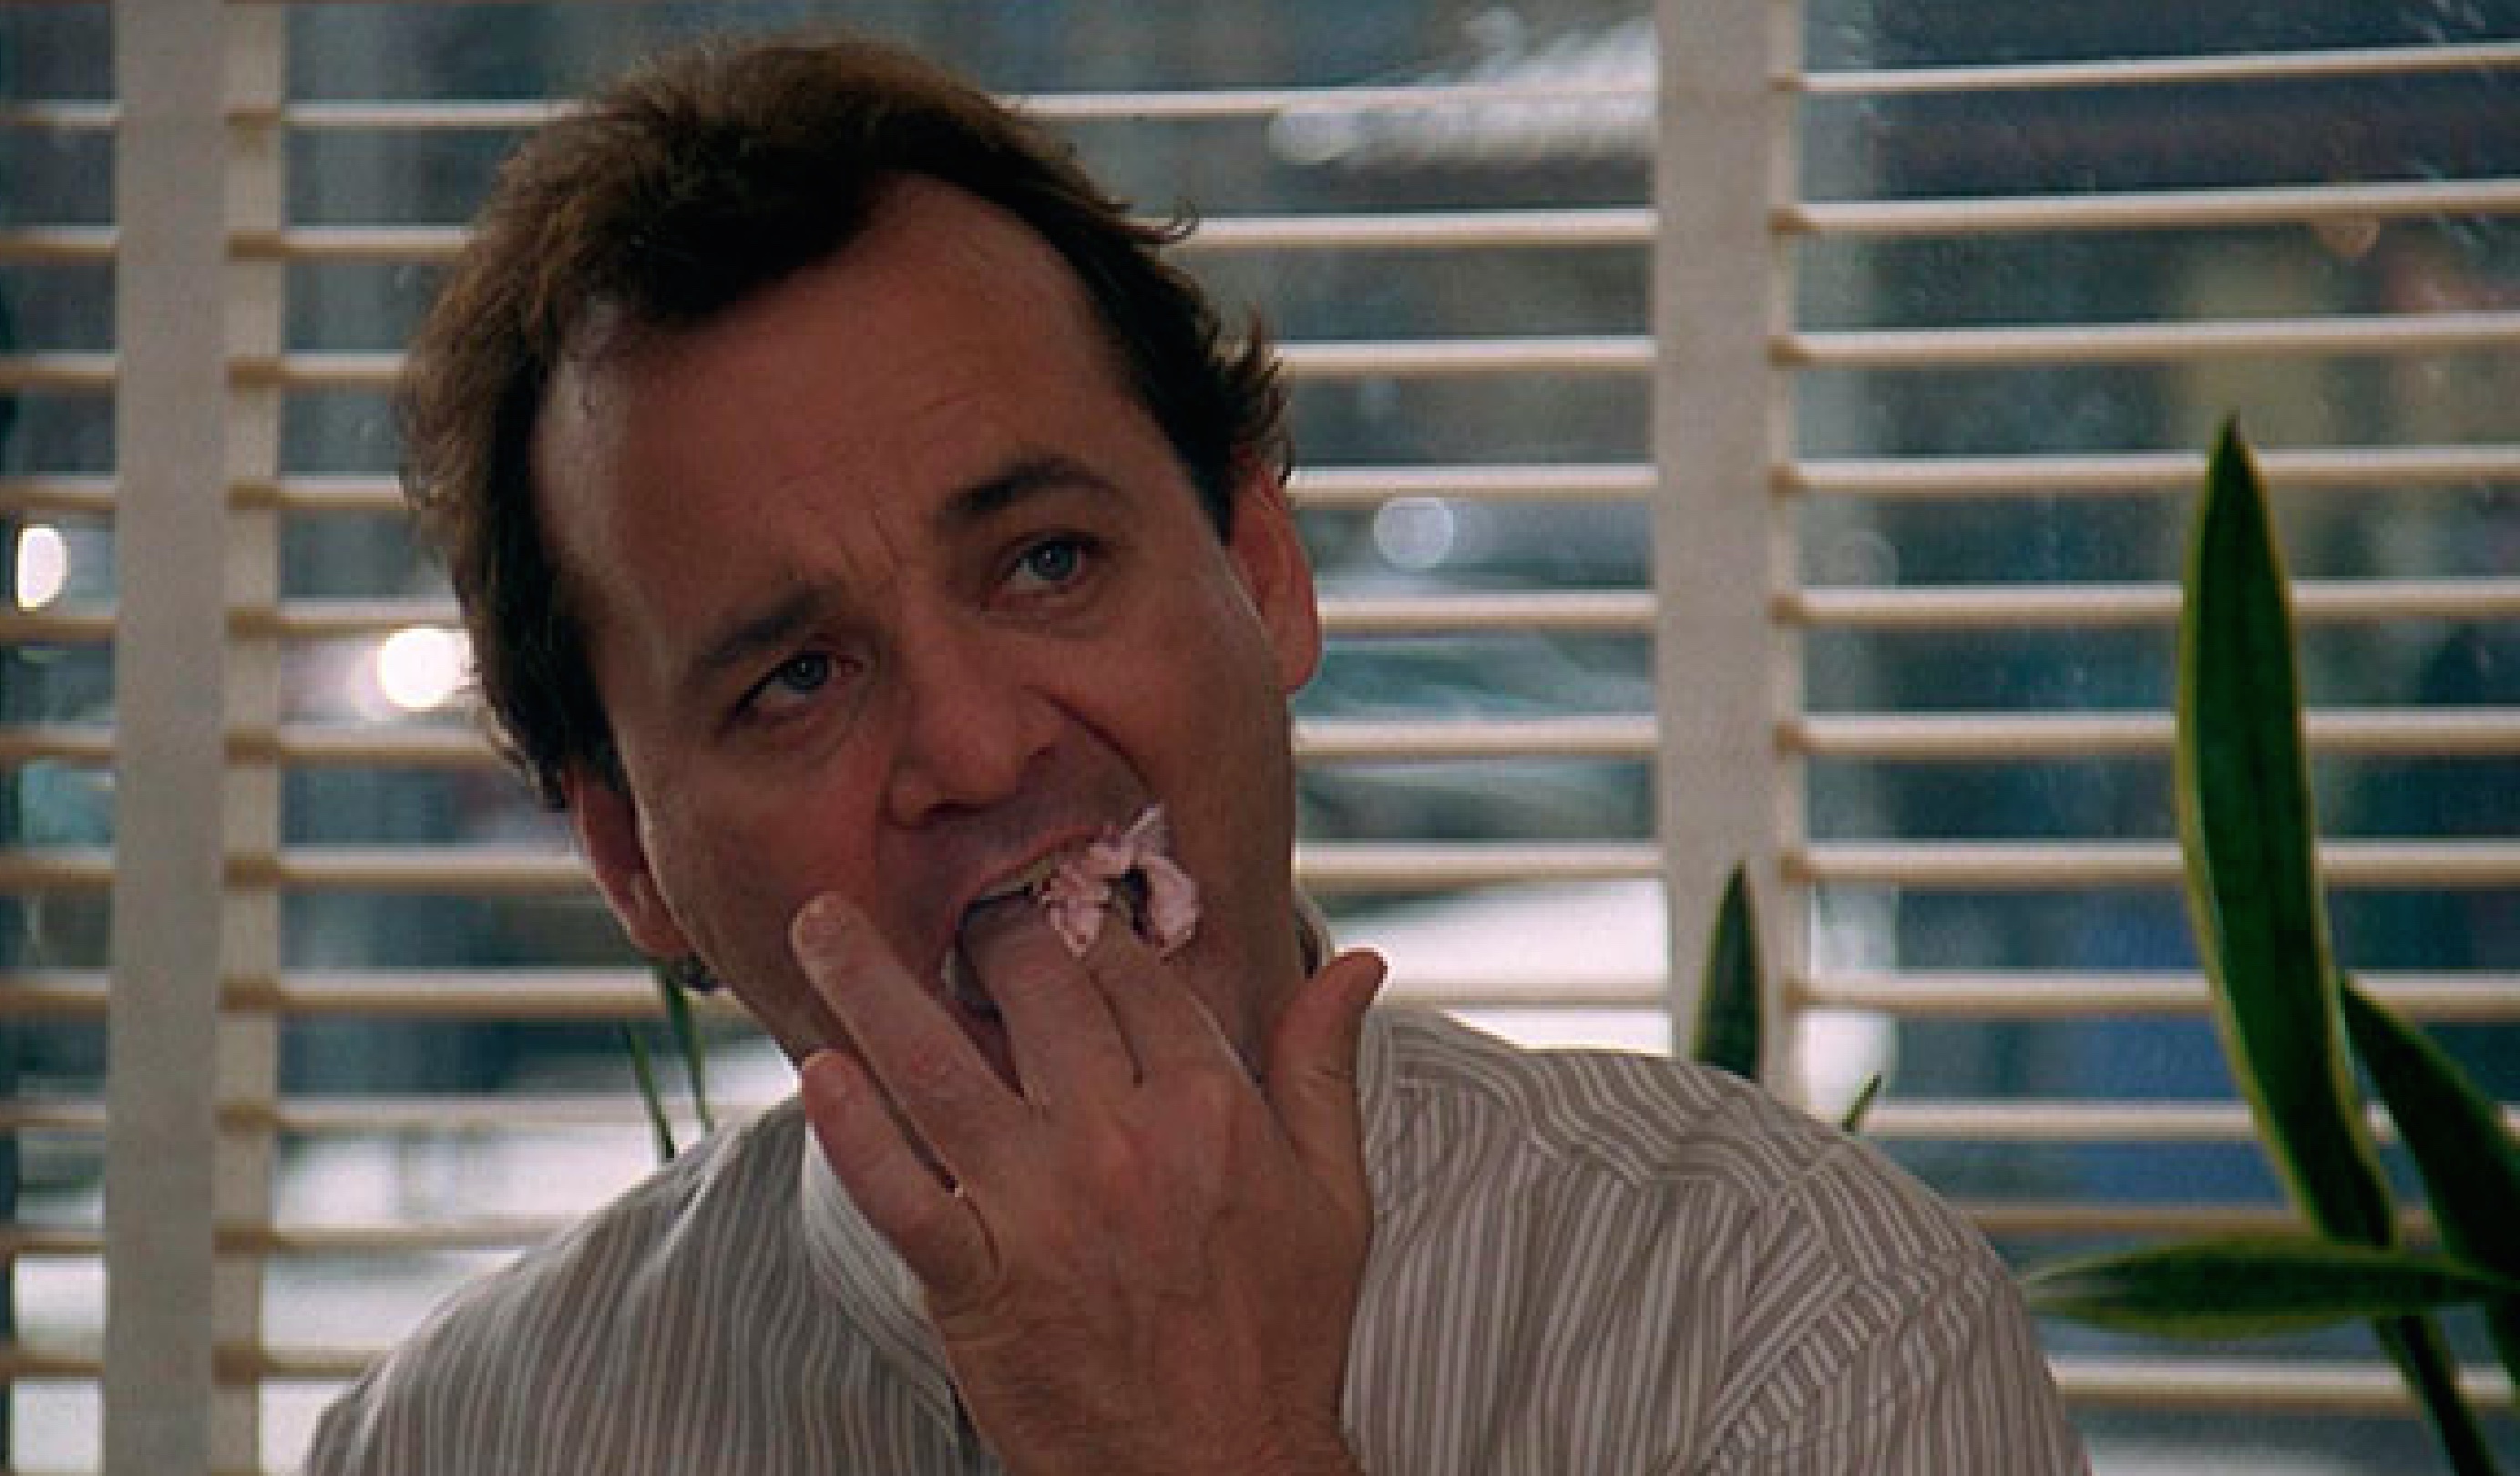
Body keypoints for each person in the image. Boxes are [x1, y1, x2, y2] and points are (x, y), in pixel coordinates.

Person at [307, 32, 2085, 1476]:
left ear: (1264, 570)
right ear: (631, 859)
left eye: (1047, 563)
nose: (977, 746)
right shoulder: (455, 1444)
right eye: (796, 680)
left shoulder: (1803, 1325)